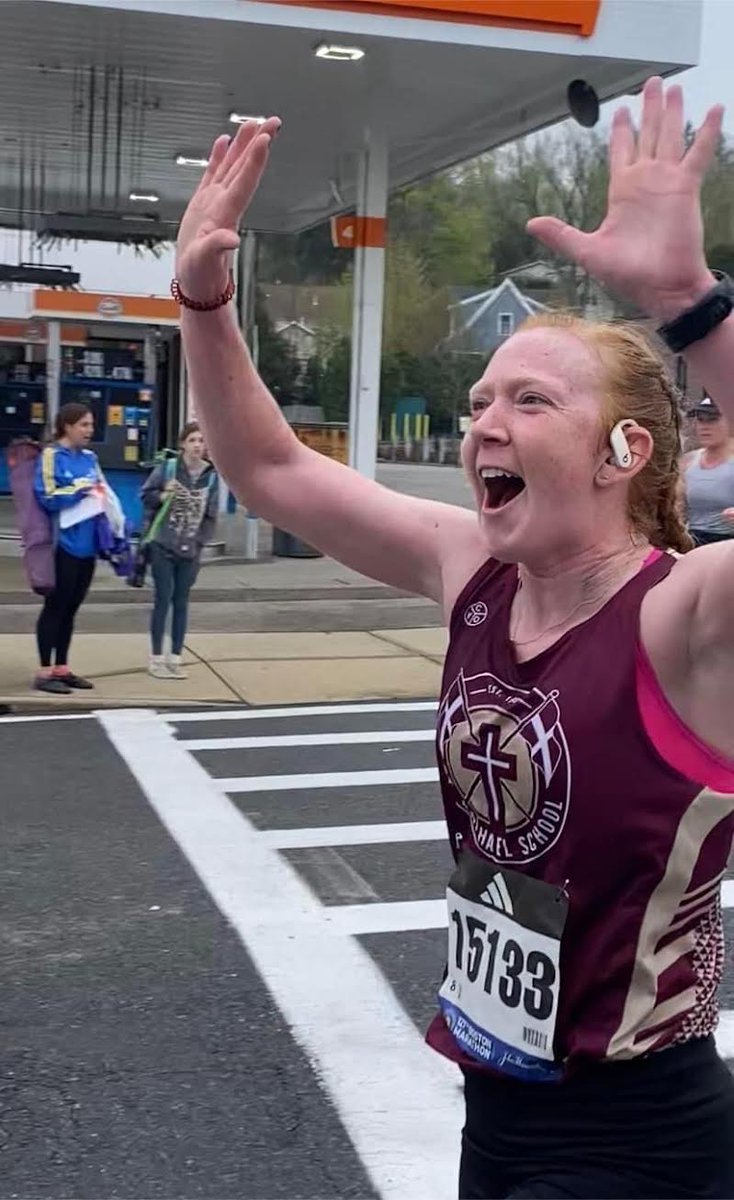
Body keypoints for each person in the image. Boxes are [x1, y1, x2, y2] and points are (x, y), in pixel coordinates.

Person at [173, 79, 734, 1198]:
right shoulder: (471, 572)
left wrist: (687, 301)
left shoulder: (683, 617)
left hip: (638, 1134)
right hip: (494, 1100)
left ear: (624, 452)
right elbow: (272, 469)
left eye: (527, 401)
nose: (483, 421)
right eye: (479, 399)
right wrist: (203, 301)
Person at [140, 421, 218, 679]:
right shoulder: (169, 468)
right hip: (164, 543)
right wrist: (162, 495)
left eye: (202, 441)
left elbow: (210, 516)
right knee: (163, 597)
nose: (198, 446)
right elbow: (146, 495)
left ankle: (176, 657)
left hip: (190, 549)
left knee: (182, 601)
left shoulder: (211, 476)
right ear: (183, 444)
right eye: (193, 440)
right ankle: (156, 658)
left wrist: (198, 543)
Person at [33, 402, 101, 695]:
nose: (90, 430)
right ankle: (44, 671)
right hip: (63, 544)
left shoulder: (90, 457)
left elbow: (101, 489)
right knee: (55, 606)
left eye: (91, 425)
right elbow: (46, 496)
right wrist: (79, 489)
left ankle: (62, 667)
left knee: (71, 608)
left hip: (88, 546)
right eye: (84, 425)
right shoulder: (51, 456)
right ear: (68, 426)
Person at [681, 395, 734, 544]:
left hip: (728, 544)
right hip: (694, 541)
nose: (704, 426)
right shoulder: (688, 461)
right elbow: (676, 509)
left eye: (712, 419)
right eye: (700, 419)